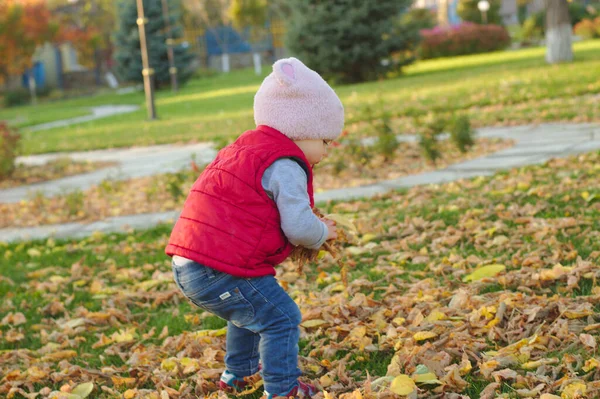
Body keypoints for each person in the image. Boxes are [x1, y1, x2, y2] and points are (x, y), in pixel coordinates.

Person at [166, 57, 344, 398]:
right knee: (281, 317)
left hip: (192, 263)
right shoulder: (284, 164)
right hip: (217, 269)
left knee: (248, 311)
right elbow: (298, 228)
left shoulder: (247, 149)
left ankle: (241, 374)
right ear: (301, 130)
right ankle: (282, 390)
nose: (327, 150)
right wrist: (324, 232)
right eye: (325, 141)